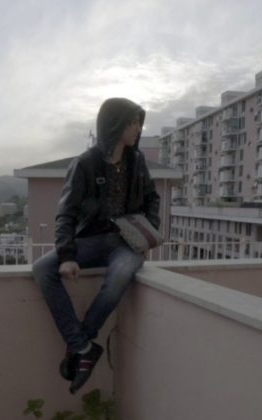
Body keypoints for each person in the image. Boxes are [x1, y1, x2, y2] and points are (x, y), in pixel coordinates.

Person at [32, 97, 160, 394]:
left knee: (119, 276)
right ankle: (83, 347)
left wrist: (148, 231)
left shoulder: (137, 161)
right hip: (91, 240)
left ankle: (80, 347)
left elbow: (152, 197)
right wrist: (67, 256)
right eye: (132, 122)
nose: (137, 128)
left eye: (138, 122)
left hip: (126, 243)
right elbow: (66, 213)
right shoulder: (85, 164)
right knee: (42, 268)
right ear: (116, 124)